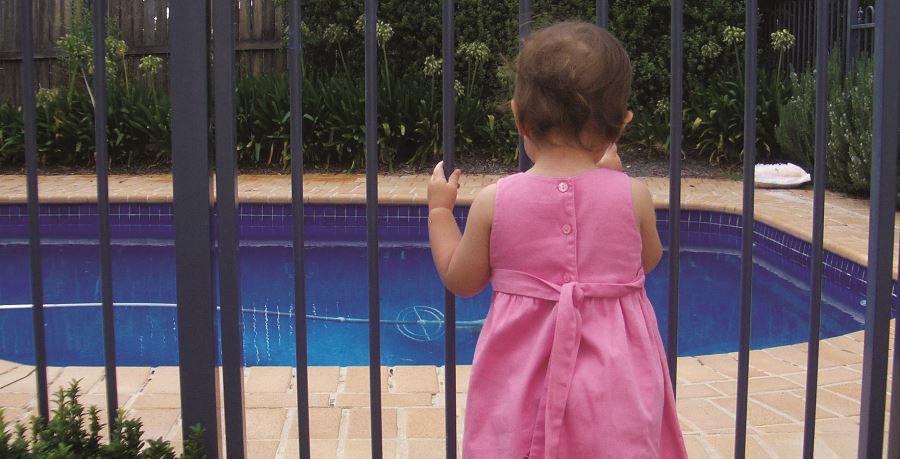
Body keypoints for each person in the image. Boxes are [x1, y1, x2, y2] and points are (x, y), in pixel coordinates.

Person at [427, 21, 687, 458]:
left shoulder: (496, 202)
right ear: (620, 126)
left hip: (520, 384)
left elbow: (462, 279)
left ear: (518, 117)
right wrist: (614, 183)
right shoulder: (633, 196)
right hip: (614, 388)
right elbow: (649, 258)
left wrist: (439, 212)